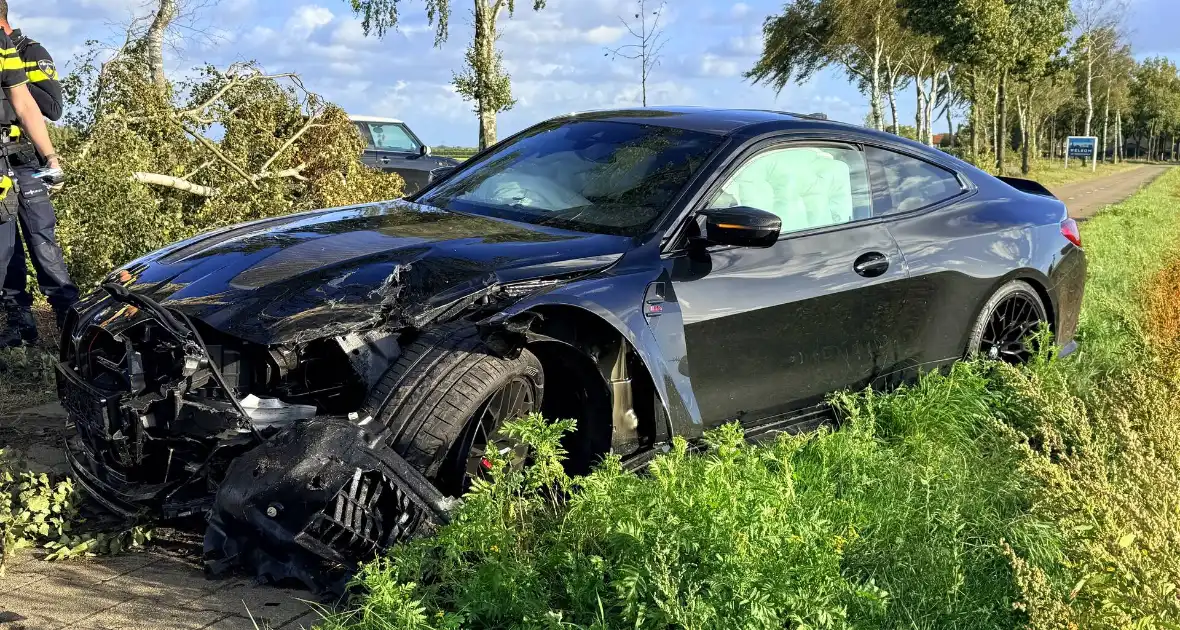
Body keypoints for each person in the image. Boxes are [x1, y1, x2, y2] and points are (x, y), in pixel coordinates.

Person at [0, 1, 70, 348]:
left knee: (43, 241)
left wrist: (17, 83)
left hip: (26, 160)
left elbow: (52, 107)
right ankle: (19, 324)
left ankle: (69, 322)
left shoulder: (29, 51)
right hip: (1, 162)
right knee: (7, 249)